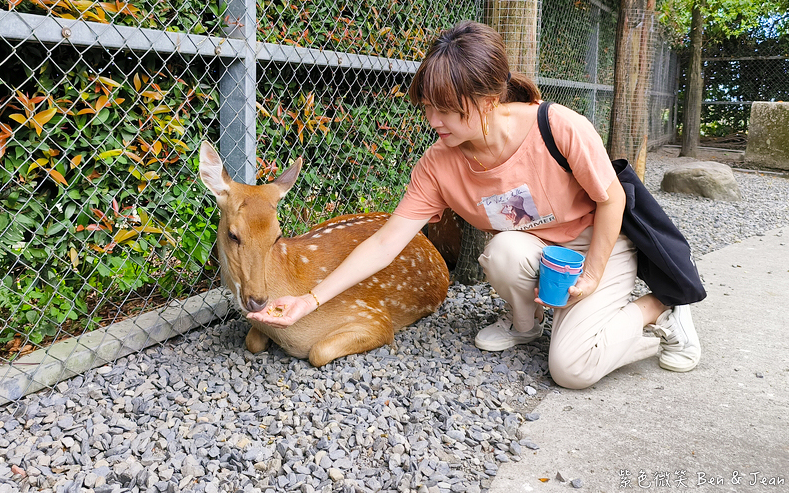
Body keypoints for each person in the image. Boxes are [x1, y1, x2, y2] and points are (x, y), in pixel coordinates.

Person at [248, 20, 701, 389]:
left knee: (571, 370)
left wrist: (595, 271)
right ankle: (527, 328)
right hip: (535, 251)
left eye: (445, 109)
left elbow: (612, 198)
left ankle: (661, 310)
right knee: (502, 251)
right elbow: (386, 242)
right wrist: (310, 300)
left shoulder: (558, 126)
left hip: (600, 240)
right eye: (426, 107)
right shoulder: (438, 165)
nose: (432, 121)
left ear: (487, 101)